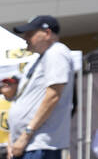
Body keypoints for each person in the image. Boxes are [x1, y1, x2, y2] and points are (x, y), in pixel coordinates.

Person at [2, 15, 74, 159]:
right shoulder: (40, 58)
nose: (26, 38)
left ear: (47, 33)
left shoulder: (56, 52)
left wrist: (25, 135)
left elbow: (52, 96)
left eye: (30, 34)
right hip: (29, 144)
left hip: (39, 143)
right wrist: (13, 140)